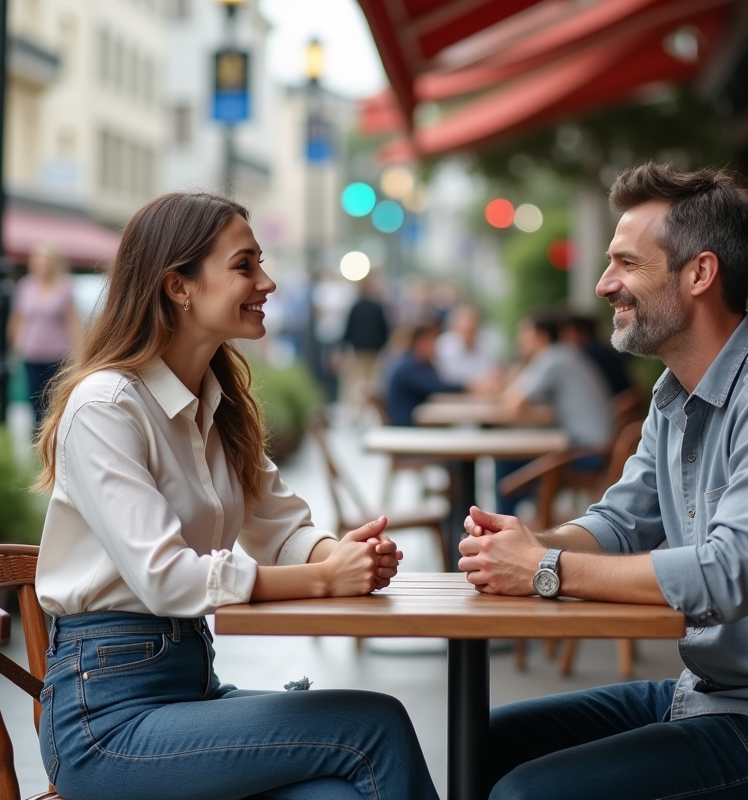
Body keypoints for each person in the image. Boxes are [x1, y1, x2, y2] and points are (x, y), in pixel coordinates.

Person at [459, 163, 748, 800]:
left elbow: (728, 573)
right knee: (478, 744)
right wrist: (524, 546)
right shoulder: (673, 394)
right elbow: (619, 522)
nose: (604, 284)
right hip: (706, 694)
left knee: (530, 794)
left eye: (626, 263)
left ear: (699, 274)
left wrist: (545, 569)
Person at [32, 192, 437, 800]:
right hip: (106, 725)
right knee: (373, 726)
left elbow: (282, 528)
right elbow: (166, 579)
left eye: (260, 263)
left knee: (344, 787)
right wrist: (324, 580)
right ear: (178, 286)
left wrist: (343, 556)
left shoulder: (216, 403)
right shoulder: (106, 407)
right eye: (244, 266)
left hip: (188, 692)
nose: (267, 282)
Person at [494, 312, 612, 515]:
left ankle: (501, 523)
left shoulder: (551, 358)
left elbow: (513, 403)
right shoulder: (564, 354)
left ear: (541, 337)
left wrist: (521, 362)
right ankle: (514, 516)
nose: (520, 340)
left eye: (525, 334)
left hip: (588, 453)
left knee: (507, 458)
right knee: (515, 455)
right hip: (594, 446)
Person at [9, 243, 81, 433]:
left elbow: (73, 321)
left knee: (52, 400)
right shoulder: (26, 286)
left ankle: (51, 435)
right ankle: (37, 436)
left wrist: (78, 352)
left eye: (45, 259)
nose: (41, 264)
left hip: (57, 353)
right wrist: (14, 346)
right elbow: (18, 319)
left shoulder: (64, 286)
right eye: (38, 260)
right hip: (30, 351)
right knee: (33, 399)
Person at [385, 320, 464, 426]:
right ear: (421, 342)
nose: (436, 348)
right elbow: (437, 388)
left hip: (415, 423)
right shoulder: (408, 367)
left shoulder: (416, 364)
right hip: (407, 427)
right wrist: (470, 386)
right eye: (433, 342)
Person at [339, 272, 390, 423]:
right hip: (373, 350)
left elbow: (348, 329)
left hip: (359, 350)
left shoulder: (356, 306)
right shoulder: (377, 307)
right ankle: (367, 412)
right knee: (371, 382)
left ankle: (357, 411)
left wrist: (344, 347)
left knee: (357, 382)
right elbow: (385, 330)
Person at [559, 312, 632, 396]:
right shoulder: (605, 351)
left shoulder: (586, 357)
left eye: (565, 334)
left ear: (575, 332)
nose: (563, 340)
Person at [435, 303, 502, 386]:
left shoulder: (489, 345)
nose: (469, 331)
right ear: (454, 326)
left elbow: (494, 371)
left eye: (472, 328)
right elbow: (444, 377)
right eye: (465, 329)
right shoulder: (442, 346)